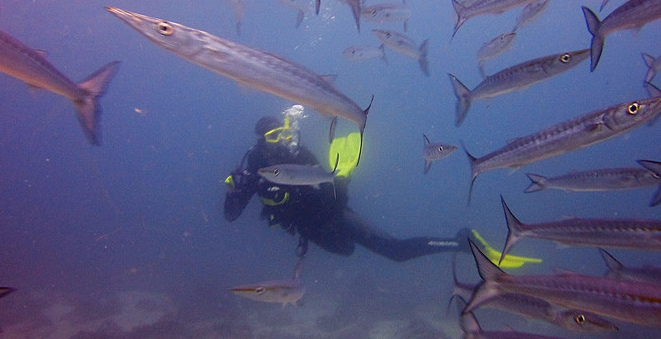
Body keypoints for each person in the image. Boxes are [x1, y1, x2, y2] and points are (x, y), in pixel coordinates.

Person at [224, 111, 538, 266]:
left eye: (283, 134)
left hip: (333, 214)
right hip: (311, 229)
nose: (282, 142)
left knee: (394, 251)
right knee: (346, 252)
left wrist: (340, 183)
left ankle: (462, 241)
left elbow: (327, 187)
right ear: (261, 140)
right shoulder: (253, 167)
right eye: (274, 137)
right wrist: (234, 191)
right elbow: (231, 215)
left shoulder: (299, 156)